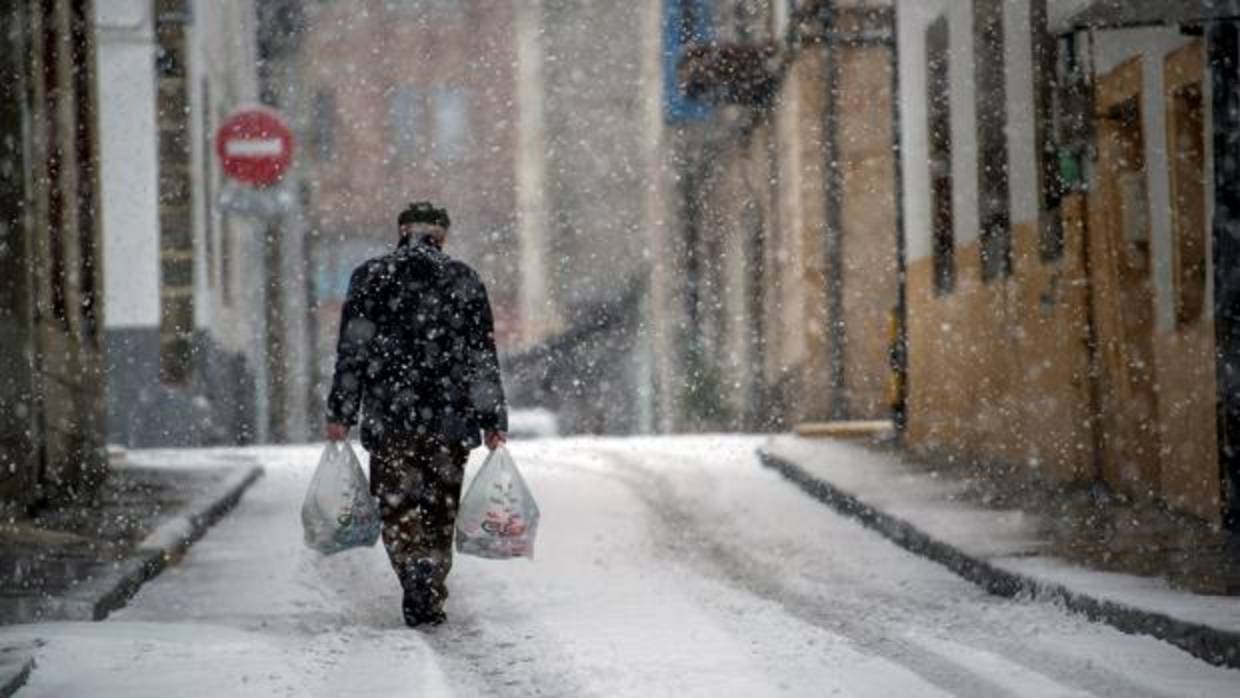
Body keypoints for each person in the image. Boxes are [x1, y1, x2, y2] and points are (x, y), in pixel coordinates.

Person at [325, 201, 508, 628]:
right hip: (450, 420)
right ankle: (430, 577)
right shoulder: (463, 280)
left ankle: (414, 571)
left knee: (398, 504)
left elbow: (353, 352)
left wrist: (341, 411)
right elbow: (482, 357)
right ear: (442, 236)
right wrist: (492, 420)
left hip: (390, 419)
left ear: (401, 231)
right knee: (440, 508)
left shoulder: (371, 278)